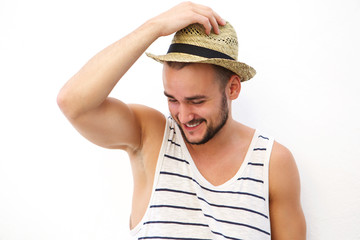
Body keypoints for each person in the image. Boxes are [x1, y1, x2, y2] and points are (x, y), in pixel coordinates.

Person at [57, 2, 306, 239]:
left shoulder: (272, 162)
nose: (184, 117)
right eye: (172, 100)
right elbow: (73, 103)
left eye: (196, 101)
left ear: (232, 88)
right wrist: (154, 27)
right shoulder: (150, 136)